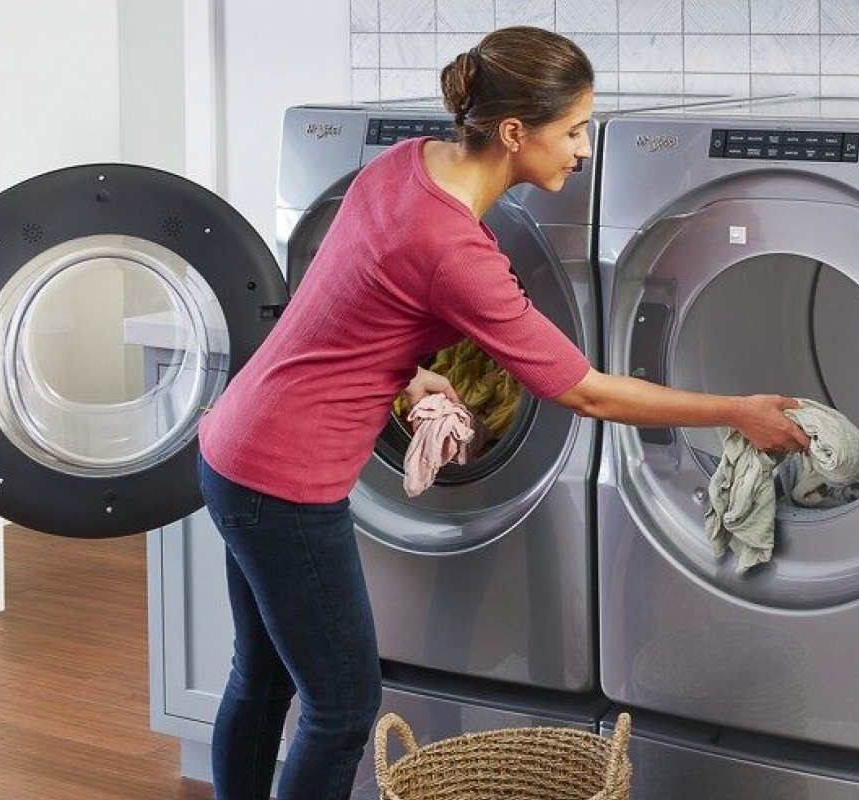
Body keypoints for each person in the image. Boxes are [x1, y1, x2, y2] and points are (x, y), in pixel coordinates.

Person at [195, 26, 824, 800]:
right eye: (574, 131)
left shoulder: (401, 165)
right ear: (516, 132)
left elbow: (340, 303)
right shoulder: (456, 250)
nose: (584, 150)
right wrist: (735, 409)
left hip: (233, 447)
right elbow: (583, 389)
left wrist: (408, 373)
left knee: (260, 679)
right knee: (342, 705)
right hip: (286, 484)